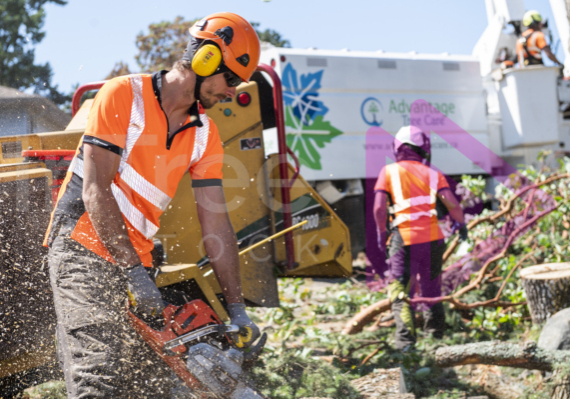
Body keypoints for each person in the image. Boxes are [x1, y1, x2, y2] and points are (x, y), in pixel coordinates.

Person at [44, 12, 261, 398]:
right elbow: (96, 190)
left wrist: (236, 308)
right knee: (99, 377)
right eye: (230, 79)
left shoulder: (205, 135)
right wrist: (133, 273)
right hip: (82, 245)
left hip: (135, 260)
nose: (231, 92)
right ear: (205, 59)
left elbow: (216, 224)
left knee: (147, 384)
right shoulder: (123, 95)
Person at [373, 126, 466, 350]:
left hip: (403, 241)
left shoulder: (388, 172)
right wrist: (461, 224)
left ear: (397, 148)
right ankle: (437, 338)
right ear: (422, 148)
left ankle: (406, 345)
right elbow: (452, 204)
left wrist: (381, 232)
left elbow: (378, 209)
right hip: (433, 240)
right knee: (432, 287)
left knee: (400, 291)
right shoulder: (433, 174)